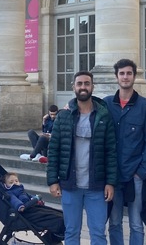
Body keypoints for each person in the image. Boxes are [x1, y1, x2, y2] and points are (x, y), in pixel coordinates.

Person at [47, 71, 117, 245]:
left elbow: (111, 151)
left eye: (87, 83)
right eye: (79, 84)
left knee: (99, 233)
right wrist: (52, 181)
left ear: (92, 86)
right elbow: (54, 150)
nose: (83, 87)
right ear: (74, 87)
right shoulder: (63, 116)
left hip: (96, 185)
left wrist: (110, 182)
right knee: (71, 232)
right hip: (70, 184)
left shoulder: (103, 116)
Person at [103, 58, 146, 245]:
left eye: (129, 73)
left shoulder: (145, 106)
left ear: (134, 76)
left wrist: (142, 172)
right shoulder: (107, 104)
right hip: (113, 175)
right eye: (122, 73)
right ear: (116, 76)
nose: (125, 77)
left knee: (136, 223)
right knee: (115, 222)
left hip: (135, 174)